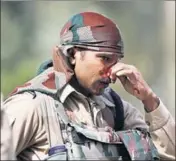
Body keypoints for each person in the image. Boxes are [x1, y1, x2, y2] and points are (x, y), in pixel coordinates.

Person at [2, 12, 174, 160]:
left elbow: (167, 155)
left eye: (116, 62)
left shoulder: (115, 108)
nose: (112, 71)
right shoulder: (33, 106)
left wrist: (149, 99)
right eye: (105, 59)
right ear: (73, 55)